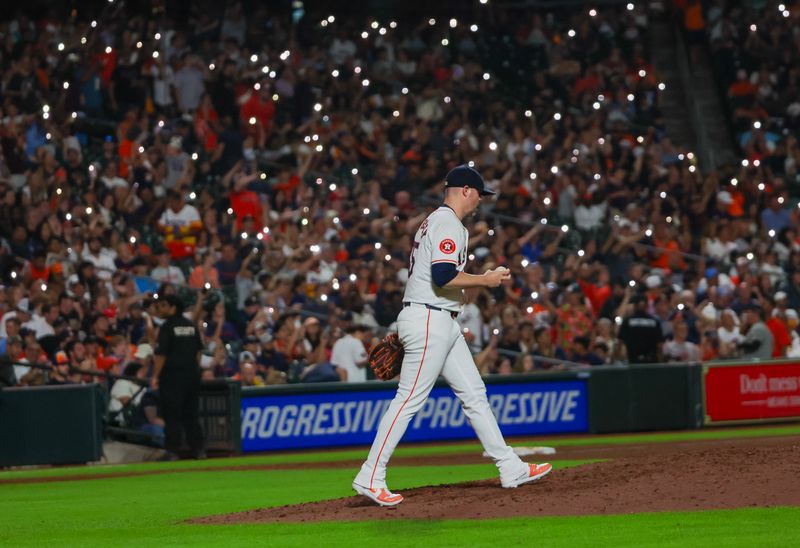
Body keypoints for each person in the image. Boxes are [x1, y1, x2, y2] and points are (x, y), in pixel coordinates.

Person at [352, 165, 552, 507]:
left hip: (438, 320)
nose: (480, 201)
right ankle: (371, 474)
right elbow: (443, 275)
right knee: (408, 400)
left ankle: (509, 466)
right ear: (465, 191)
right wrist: (484, 280)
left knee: (474, 394)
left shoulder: (436, 221)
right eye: (479, 194)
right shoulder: (448, 223)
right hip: (429, 319)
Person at [151, 294, 205, 460]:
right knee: (191, 414)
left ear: (173, 307)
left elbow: (161, 355)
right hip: (191, 375)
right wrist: (192, 368)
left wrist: (155, 376)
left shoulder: (167, 327)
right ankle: (198, 449)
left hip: (172, 376)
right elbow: (198, 352)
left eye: (163, 305)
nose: (160, 309)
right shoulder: (191, 326)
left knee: (172, 413)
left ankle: (173, 450)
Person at [618, 293, 664, 363]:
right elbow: (660, 345)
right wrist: (661, 361)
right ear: (647, 306)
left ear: (635, 305)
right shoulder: (654, 322)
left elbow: (620, 342)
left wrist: (616, 359)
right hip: (651, 362)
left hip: (633, 361)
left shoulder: (628, 321)